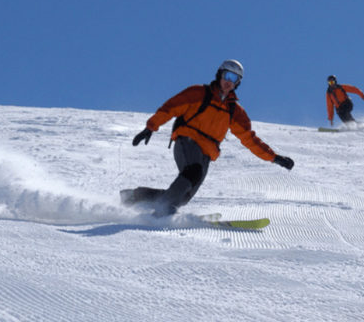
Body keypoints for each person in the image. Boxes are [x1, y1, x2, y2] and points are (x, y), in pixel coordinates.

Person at [122, 60, 294, 217]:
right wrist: (150, 127)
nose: (229, 81)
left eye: (234, 78)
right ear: (219, 75)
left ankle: (134, 196)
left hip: (207, 153)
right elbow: (170, 108)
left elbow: (249, 139)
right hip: (187, 140)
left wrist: (274, 158)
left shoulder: (234, 111)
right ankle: (163, 209)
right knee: (193, 172)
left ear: (237, 83)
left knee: (184, 197)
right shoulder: (199, 93)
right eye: (227, 75)